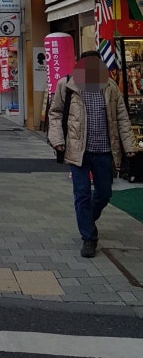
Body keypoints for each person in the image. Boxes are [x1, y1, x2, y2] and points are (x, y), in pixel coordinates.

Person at [48, 51, 137, 258]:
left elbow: (122, 117)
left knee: (105, 193)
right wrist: (58, 140)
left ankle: (88, 218)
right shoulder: (67, 85)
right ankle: (89, 238)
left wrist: (129, 144)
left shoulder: (111, 87)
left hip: (105, 150)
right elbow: (55, 113)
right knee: (82, 193)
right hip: (78, 150)